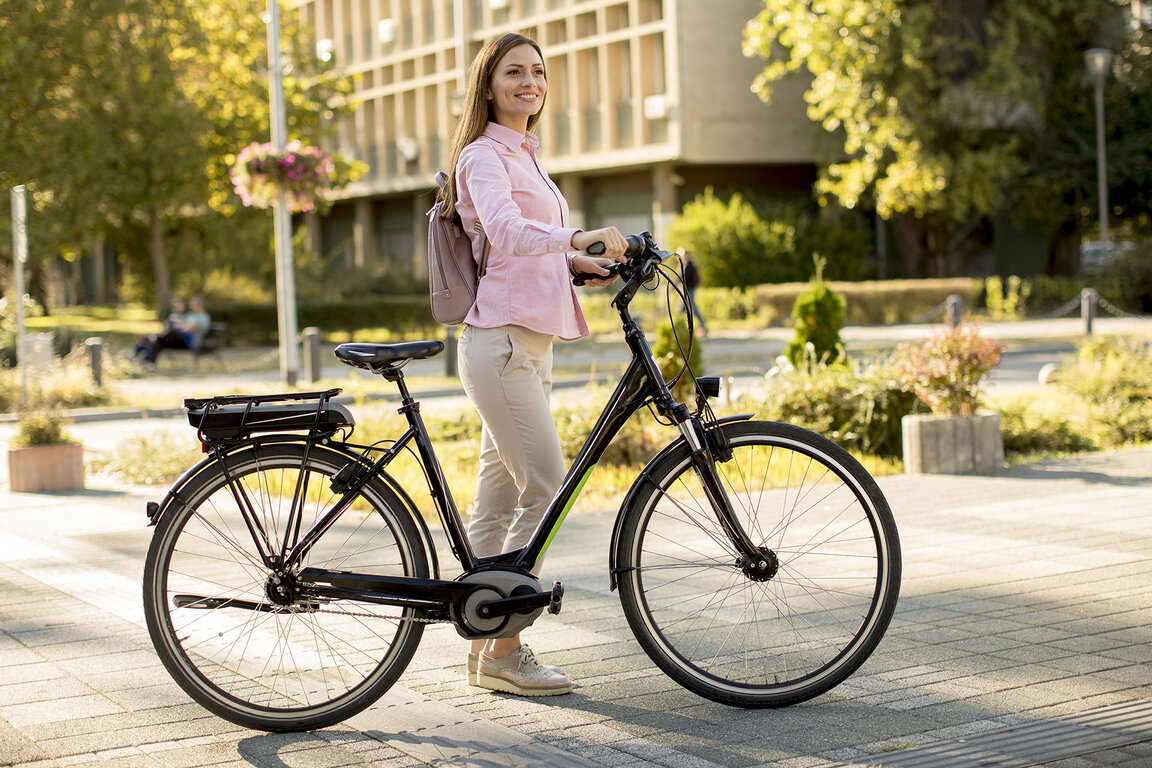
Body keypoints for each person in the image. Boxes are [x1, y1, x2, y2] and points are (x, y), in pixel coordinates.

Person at [438, 32, 628, 697]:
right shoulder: (483, 157)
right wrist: (576, 236)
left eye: (539, 72)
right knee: (546, 485)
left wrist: (585, 264)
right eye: (515, 71)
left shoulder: (525, 154)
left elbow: (530, 250)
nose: (530, 81)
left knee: (496, 506)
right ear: (488, 84)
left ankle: (482, 644)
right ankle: (507, 647)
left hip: (528, 346)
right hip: (502, 345)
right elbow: (508, 231)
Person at [136, 296, 211, 366]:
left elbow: (190, 329)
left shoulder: (203, 317)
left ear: (199, 305)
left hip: (191, 342)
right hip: (180, 339)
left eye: (192, 304)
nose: (190, 306)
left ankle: (153, 338)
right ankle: (148, 362)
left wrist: (181, 326)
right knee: (160, 342)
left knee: (171, 331)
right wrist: (180, 326)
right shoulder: (189, 315)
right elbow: (182, 325)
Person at [681, 251, 708, 336]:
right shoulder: (684, 265)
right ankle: (678, 326)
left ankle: (703, 325)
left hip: (689, 290)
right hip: (685, 290)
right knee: (682, 308)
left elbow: (689, 278)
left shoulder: (690, 265)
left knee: (692, 308)